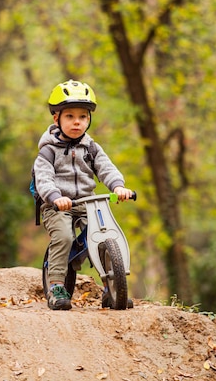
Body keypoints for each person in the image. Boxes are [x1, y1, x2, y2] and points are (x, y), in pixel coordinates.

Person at [33, 79, 133, 310]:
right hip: (56, 204)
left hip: (88, 202)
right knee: (64, 237)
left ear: (89, 119)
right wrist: (55, 196)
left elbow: (106, 168)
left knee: (105, 233)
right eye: (70, 116)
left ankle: (111, 288)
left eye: (83, 117)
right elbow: (43, 178)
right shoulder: (48, 151)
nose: (77, 122)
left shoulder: (91, 148)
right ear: (56, 118)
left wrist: (118, 186)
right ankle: (56, 286)